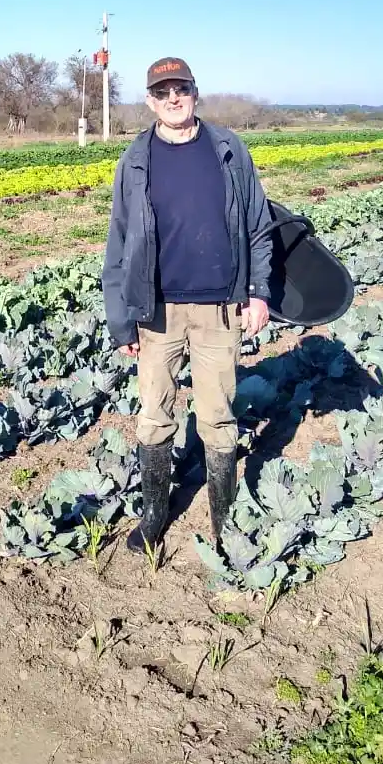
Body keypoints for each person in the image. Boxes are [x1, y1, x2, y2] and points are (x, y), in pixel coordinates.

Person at [101, 56, 273, 555]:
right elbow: (120, 241)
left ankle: (225, 518)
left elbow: (259, 225)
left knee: (218, 414)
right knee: (154, 413)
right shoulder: (136, 159)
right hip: (158, 312)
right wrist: (123, 319)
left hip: (221, 305)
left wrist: (259, 293)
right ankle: (155, 512)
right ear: (150, 101)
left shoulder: (228, 149)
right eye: (163, 92)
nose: (173, 99)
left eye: (182, 90)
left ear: (195, 93)